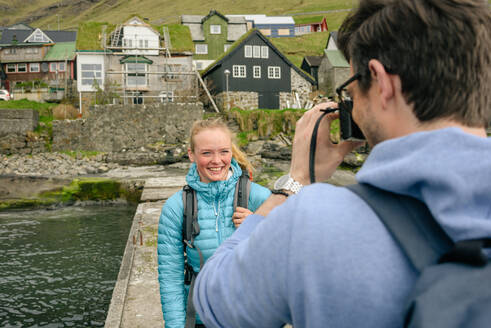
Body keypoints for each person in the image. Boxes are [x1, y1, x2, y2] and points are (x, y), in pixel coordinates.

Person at [192, 0, 491, 327]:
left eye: (350, 90)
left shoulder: (314, 224)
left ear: (380, 81)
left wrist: (296, 180)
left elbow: (212, 301)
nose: (353, 106)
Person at [157, 118, 271, 328]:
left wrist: (261, 230)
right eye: (206, 153)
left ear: (232, 152)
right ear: (191, 155)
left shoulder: (260, 197)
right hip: (201, 318)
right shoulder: (176, 208)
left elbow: (290, 258)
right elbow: (170, 278)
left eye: (224, 152)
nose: (216, 160)